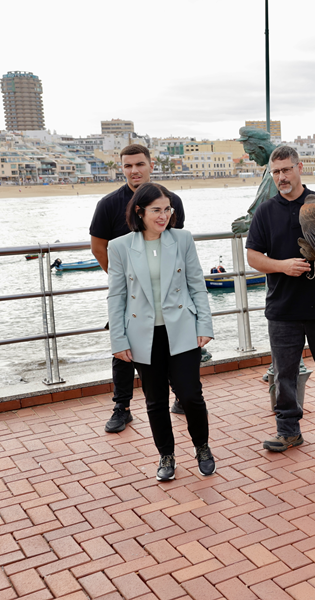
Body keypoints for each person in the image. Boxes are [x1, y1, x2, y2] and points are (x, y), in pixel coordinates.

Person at [245, 146, 315, 452]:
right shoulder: (266, 211)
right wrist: (283, 266)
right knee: (284, 374)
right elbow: (253, 256)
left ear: (299, 167)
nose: (281, 176)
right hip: (282, 307)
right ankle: (288, 431)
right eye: (276, 172)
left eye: (286, 170)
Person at [106, 182, 216, 481]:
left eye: (167, 209)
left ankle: (202, 447)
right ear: (139, 211)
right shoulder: (119, 246)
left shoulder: (182, 239)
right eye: (156, 210)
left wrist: (204, 325)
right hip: (142, 334)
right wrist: (118, 339)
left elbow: (197, 285)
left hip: (182, 329)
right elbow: (116, 297)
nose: (163, 215)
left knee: (191, 395)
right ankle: (166, 455)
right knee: (155, 401)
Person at [90, 144, 187, 432]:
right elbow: (98, 248)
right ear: (122, 168)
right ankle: (122, 407)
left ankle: (181, 394)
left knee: (171, 343)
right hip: (130, 294)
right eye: (128, 166)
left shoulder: (172, 201)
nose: (134, 170)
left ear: (151, 165)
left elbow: (177, 244)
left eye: (139, 164)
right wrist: (126, 281)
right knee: (122, 349)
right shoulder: (108, 205)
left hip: (165, 291)